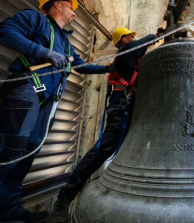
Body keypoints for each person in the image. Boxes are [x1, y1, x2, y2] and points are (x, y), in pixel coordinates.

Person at [0, 0, 110, 222]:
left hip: (47, 103)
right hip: (26, 92)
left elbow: (80, 66)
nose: (74, 14)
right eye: (71, 8)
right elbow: (5, 31)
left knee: (27, 157)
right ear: (58, 5)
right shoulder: (36, 20)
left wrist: (111, 68)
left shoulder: (66, 43)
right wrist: (44, 52)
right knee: (9, 154)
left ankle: (8, 211)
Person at [49, 27, 157, 222]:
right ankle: (65, 197)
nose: (133, 37)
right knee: (103, 149)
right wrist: (157, 35)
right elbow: (145, 40)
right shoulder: (126, 53)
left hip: (130, 109)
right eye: (130, 36)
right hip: (121, 111)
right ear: (123, 40)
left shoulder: (131, 60)